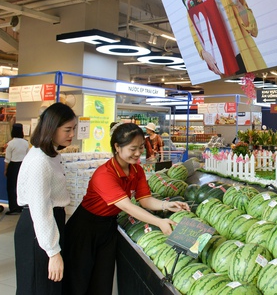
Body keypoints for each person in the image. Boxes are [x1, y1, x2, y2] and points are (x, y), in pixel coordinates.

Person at [63, 123, 189, 295]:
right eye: (132, 149)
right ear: (117, 147)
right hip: (84, 229)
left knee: (102, 282)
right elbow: (127, 207)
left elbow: (144, 200)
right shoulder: (104, 174)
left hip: (107, 228)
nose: (138, 153)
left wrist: (166, 205)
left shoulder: (137, 170)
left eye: (141, 148)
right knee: (78, 281)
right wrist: (159, 222)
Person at [14, 102, 76, 295]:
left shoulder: (52, 155)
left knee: (48, 287)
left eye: (73, 129)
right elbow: (40, 210)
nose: (72, 134)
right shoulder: (39, 161)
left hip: (49, 225)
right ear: (51, 128)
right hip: (38, 229)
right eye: (67, 129)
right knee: (38, 286)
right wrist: (53, 252)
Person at [4, 123, 29, 215]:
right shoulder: (26, 143)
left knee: (11, 187)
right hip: (23, 166)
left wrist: (6, 170)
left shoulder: (10, 144)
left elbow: (7, 159)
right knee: (21, 186)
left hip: (13, 166)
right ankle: (21, 206)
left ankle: (13, 207)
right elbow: (27, 156)